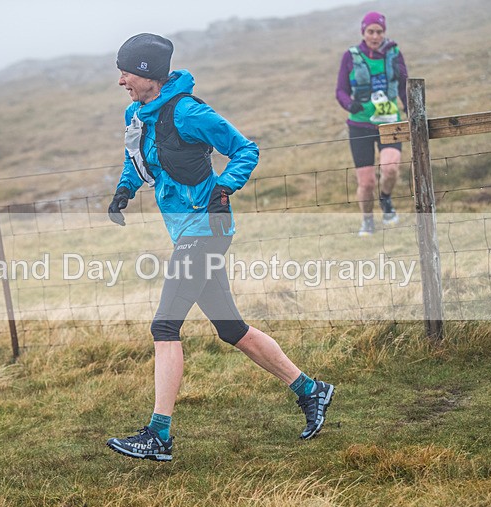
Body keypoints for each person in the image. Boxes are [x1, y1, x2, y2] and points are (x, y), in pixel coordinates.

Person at [105, 33, 335, 462]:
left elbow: (245, 149)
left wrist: (226, 186)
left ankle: (159, 434)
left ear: (149, 74)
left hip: (207, 228)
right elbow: (138, 160)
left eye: (126, 72)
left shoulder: (190, 112)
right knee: (232, 330)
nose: (121, 80)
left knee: (164, 326)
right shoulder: (137, 114)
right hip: (186, 229)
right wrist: (124, 189)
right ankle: (312, 389)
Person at [335, 11, 409, 236]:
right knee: (366, 182)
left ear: (384, 33)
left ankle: (385, 198)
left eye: (379, 31)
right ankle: (367, 221)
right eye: (370, 31)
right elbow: (340, 90)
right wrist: (350, 105)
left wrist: (410, 110)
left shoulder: (394, 54)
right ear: (363, 33)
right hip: (360, 125)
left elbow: (406, 84)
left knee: (391, 168)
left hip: (389, 123)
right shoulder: (351, 56)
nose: (375, 36)